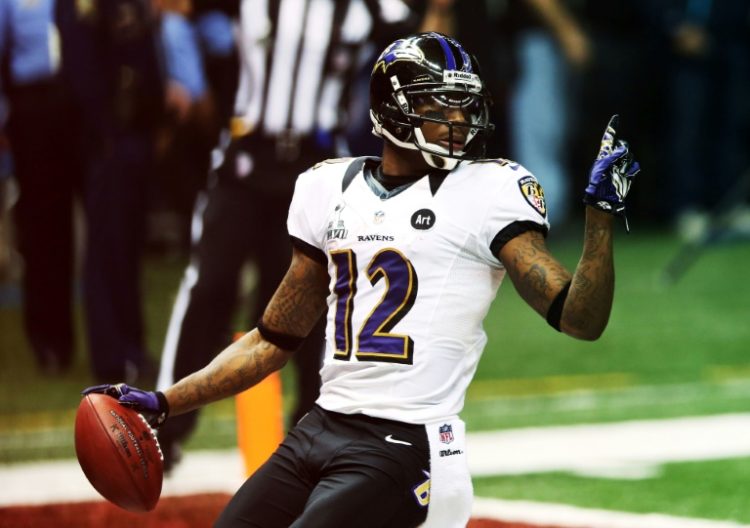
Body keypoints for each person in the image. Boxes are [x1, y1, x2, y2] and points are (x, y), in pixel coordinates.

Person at [84, 32, 640, 527]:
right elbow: (271, 340)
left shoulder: (487, 191)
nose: (459, 123)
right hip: (322, 426)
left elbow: (580, 318)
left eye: (464, 108)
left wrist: (598, 220)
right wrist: (164, 401)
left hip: (406, 443)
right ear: (392, 113)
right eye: (437, 107)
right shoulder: (329, 188)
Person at [153, 0, 434, 471]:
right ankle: (163, 428)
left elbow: (419, 47)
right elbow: (175, 9)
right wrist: (188, 78)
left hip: (319, 165)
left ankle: (312, 440)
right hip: (246, 157)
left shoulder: (369, 6)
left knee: (316, 309)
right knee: (209, 287)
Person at [55, 0, 165, 383]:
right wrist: (103, 132)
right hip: (106, 142)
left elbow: (148, 60)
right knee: (106, 251)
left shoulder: (132, 7)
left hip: (134, 137)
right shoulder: (84, 9)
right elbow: (82, 76)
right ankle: (112, 355)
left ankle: (132, 346)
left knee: (129, 251)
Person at [0, 0, 84, 373]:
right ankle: (47, 341)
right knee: (41, 227)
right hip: (33, 106)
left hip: (77, 104)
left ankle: (85, 339)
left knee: (77, 229)